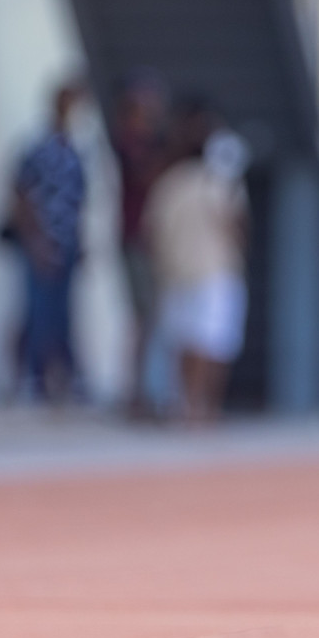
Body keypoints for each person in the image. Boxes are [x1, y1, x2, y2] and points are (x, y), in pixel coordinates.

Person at [144, 100, 250, 425]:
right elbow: (236, 227)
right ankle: (203, 408)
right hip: (214, 272)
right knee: (212, 344)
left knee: (184, 344)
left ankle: (187, 405)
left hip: (175, 273)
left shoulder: (168, 184)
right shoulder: (221, 185)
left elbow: (151, 231)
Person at [9, 80, 89, 404]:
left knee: (61, 313)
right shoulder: (40, 148)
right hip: (42, 242)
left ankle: (60, 379)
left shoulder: (74, 150)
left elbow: (78, 203)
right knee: (38, 310)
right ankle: (33, 378)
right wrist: (35, 239)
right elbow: (20, 193)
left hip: (66, 242)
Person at [110, 72, 170, 418]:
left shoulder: (150, 142)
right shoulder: (131, 142)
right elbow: (144, 176)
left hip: (154, 239)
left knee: (154, 317)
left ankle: (147, 389)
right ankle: (136, 392)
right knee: (144, 316)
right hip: (137, 239)